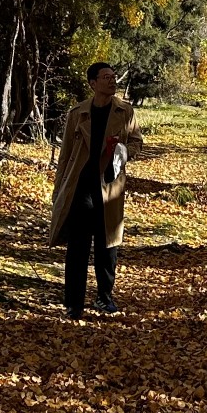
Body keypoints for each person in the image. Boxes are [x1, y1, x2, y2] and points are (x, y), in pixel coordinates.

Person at [49, 61, 143, 318]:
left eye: (114, 77)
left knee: (108, 245)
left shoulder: (125, 111)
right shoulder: (77, 113)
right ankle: (74, 303)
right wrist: (59, 190)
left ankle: (104, 297)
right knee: (78, 247)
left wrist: (124, 152)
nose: (112, 81)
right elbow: (65, 155)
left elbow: (137, 143)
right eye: (106, 77)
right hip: (81, 187)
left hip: (110, 187)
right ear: (93, 83)